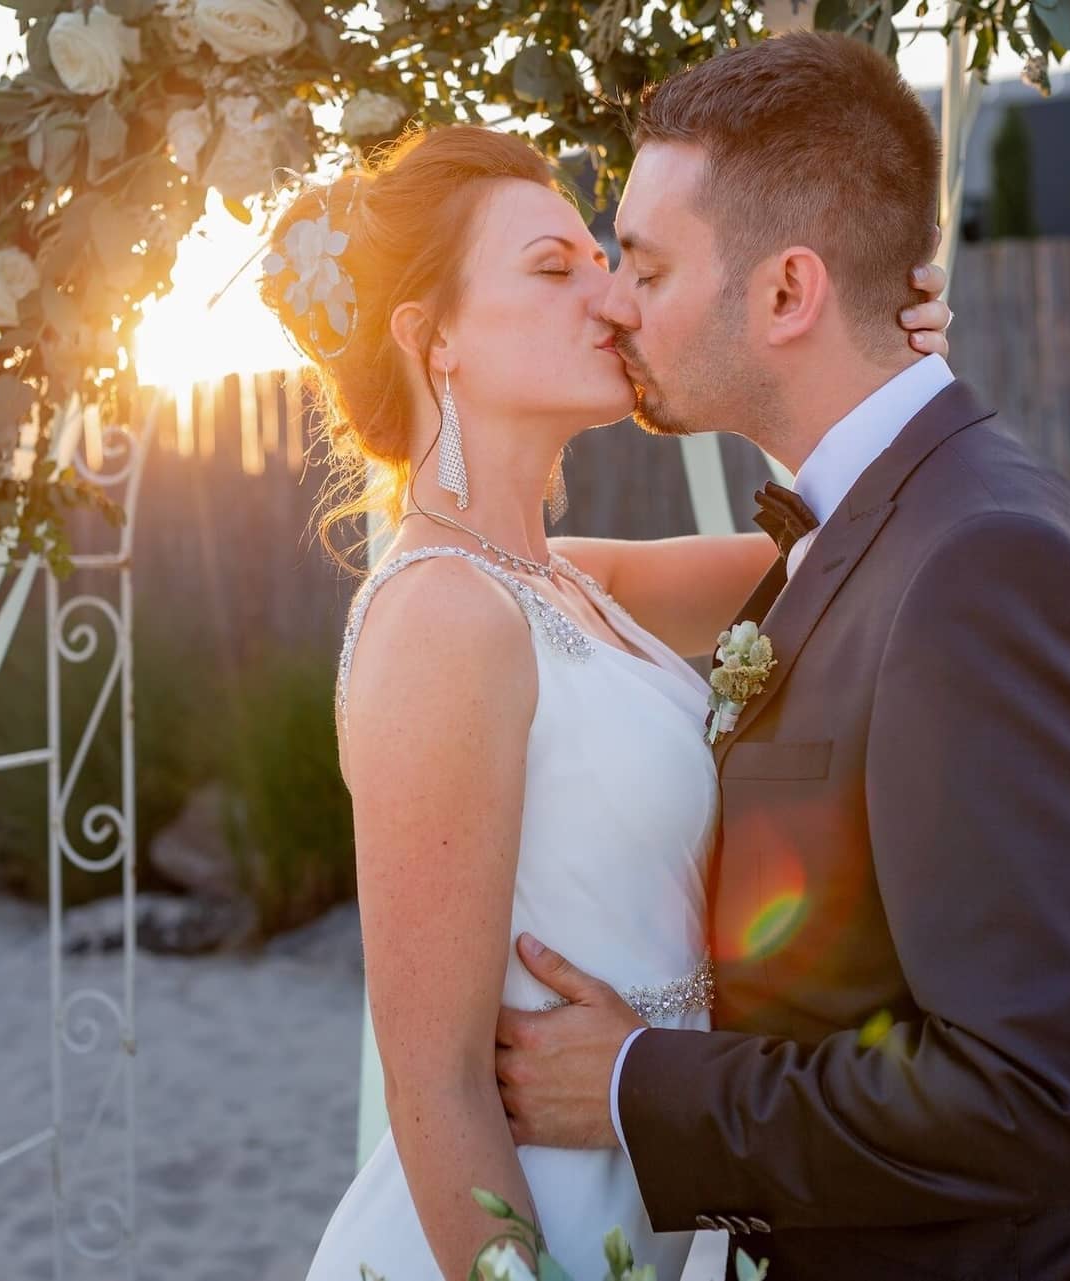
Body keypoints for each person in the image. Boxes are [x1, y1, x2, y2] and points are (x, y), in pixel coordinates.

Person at [493, 32, 1070, 1281]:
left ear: (788, 293)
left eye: (651, 264)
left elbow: (1036, 1097)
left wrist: (637, 1084)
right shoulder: (877, 524)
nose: (616, 299)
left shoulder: (987, 569)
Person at [259, 114, 949, 1278]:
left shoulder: (566, 580)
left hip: (659, 1169)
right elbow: (431, 1084)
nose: (613, 297)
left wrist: (881, 365)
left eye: (603, 257)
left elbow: (845, 556)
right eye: (552, 267)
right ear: (436, 342)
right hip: (543, 1212)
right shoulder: (439, 618)